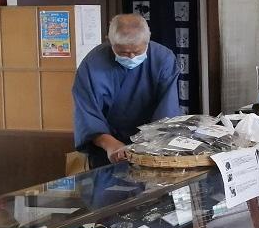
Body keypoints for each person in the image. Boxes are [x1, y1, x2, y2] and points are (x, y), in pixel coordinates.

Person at [72, 13, 180, 167]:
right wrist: (110, 144)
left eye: (137, 52)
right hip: (107, 145)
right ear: (110, 42)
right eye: (123, 52)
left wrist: (151, 145)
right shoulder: (92, 64)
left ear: (147, 41)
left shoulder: (163, 58)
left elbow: (168, 109)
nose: (130, 57)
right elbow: (87, 114)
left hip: (154, 145)